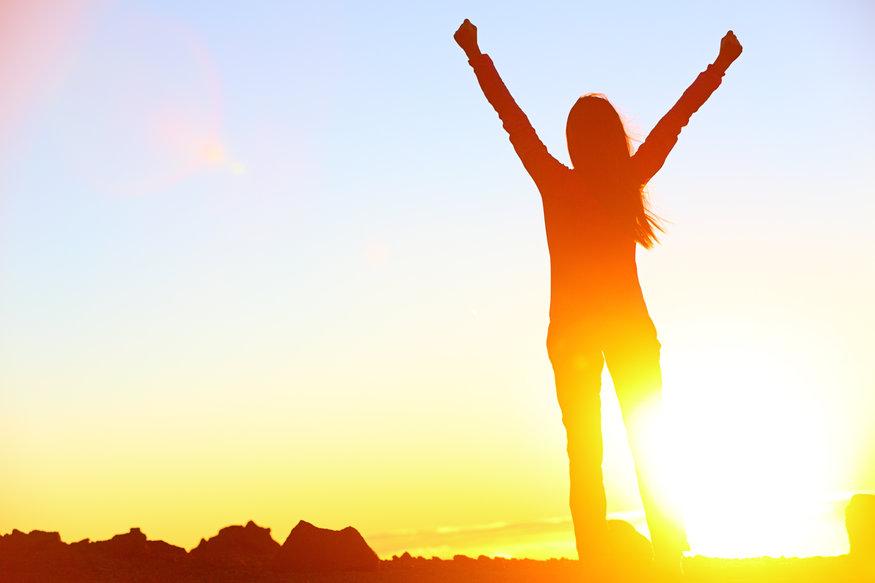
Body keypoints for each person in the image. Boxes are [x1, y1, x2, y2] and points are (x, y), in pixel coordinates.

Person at [454, 19, 742, 572]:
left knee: (587, 455)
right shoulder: (623, 179)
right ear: (612, 138)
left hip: (574, 336)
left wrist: (475, 54)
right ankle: (669, 561)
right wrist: (720, 66)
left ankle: (600, 566)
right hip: (619, 332)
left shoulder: (559, 183)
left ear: (574, 141)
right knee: (647, 445)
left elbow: (512, 119)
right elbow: (675, 121)